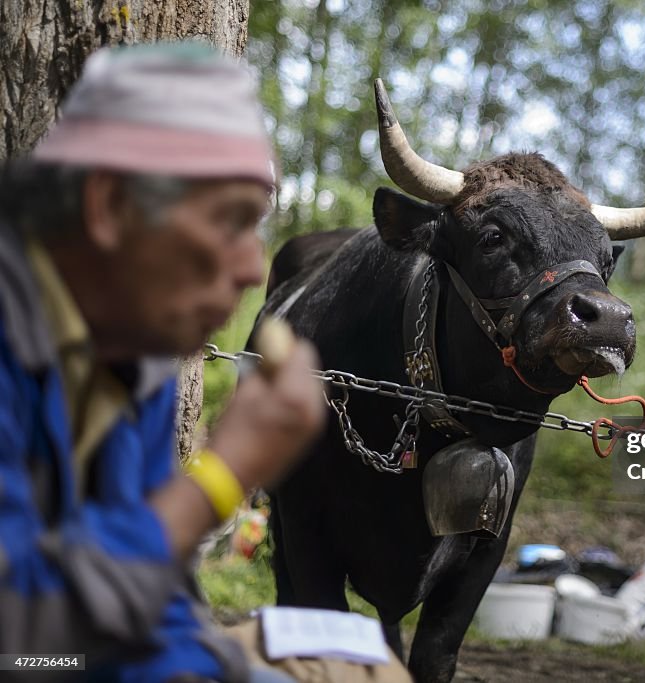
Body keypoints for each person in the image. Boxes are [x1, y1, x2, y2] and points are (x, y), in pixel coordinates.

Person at [0, 43, 408, 682]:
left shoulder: (132, 356)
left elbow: (148, 607)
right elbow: (26, 647)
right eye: (231, 221)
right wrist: (226, 471)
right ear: (110, 207)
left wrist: (224, 667)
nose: (253, 268)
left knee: (367, 666)